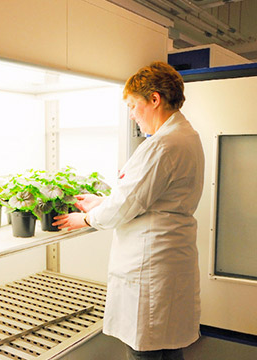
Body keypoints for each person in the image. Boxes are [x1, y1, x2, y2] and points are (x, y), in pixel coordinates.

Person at [53, 61, 205, 360]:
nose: (133, 116)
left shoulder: (162, 145)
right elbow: (147, 198)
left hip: (151, 266)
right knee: (168, 349)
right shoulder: (187, 136)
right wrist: (101, 202)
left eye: (134, 106)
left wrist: (85, 218)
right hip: (170, 258)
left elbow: (126, 205)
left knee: (145, 351)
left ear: (154, 99)